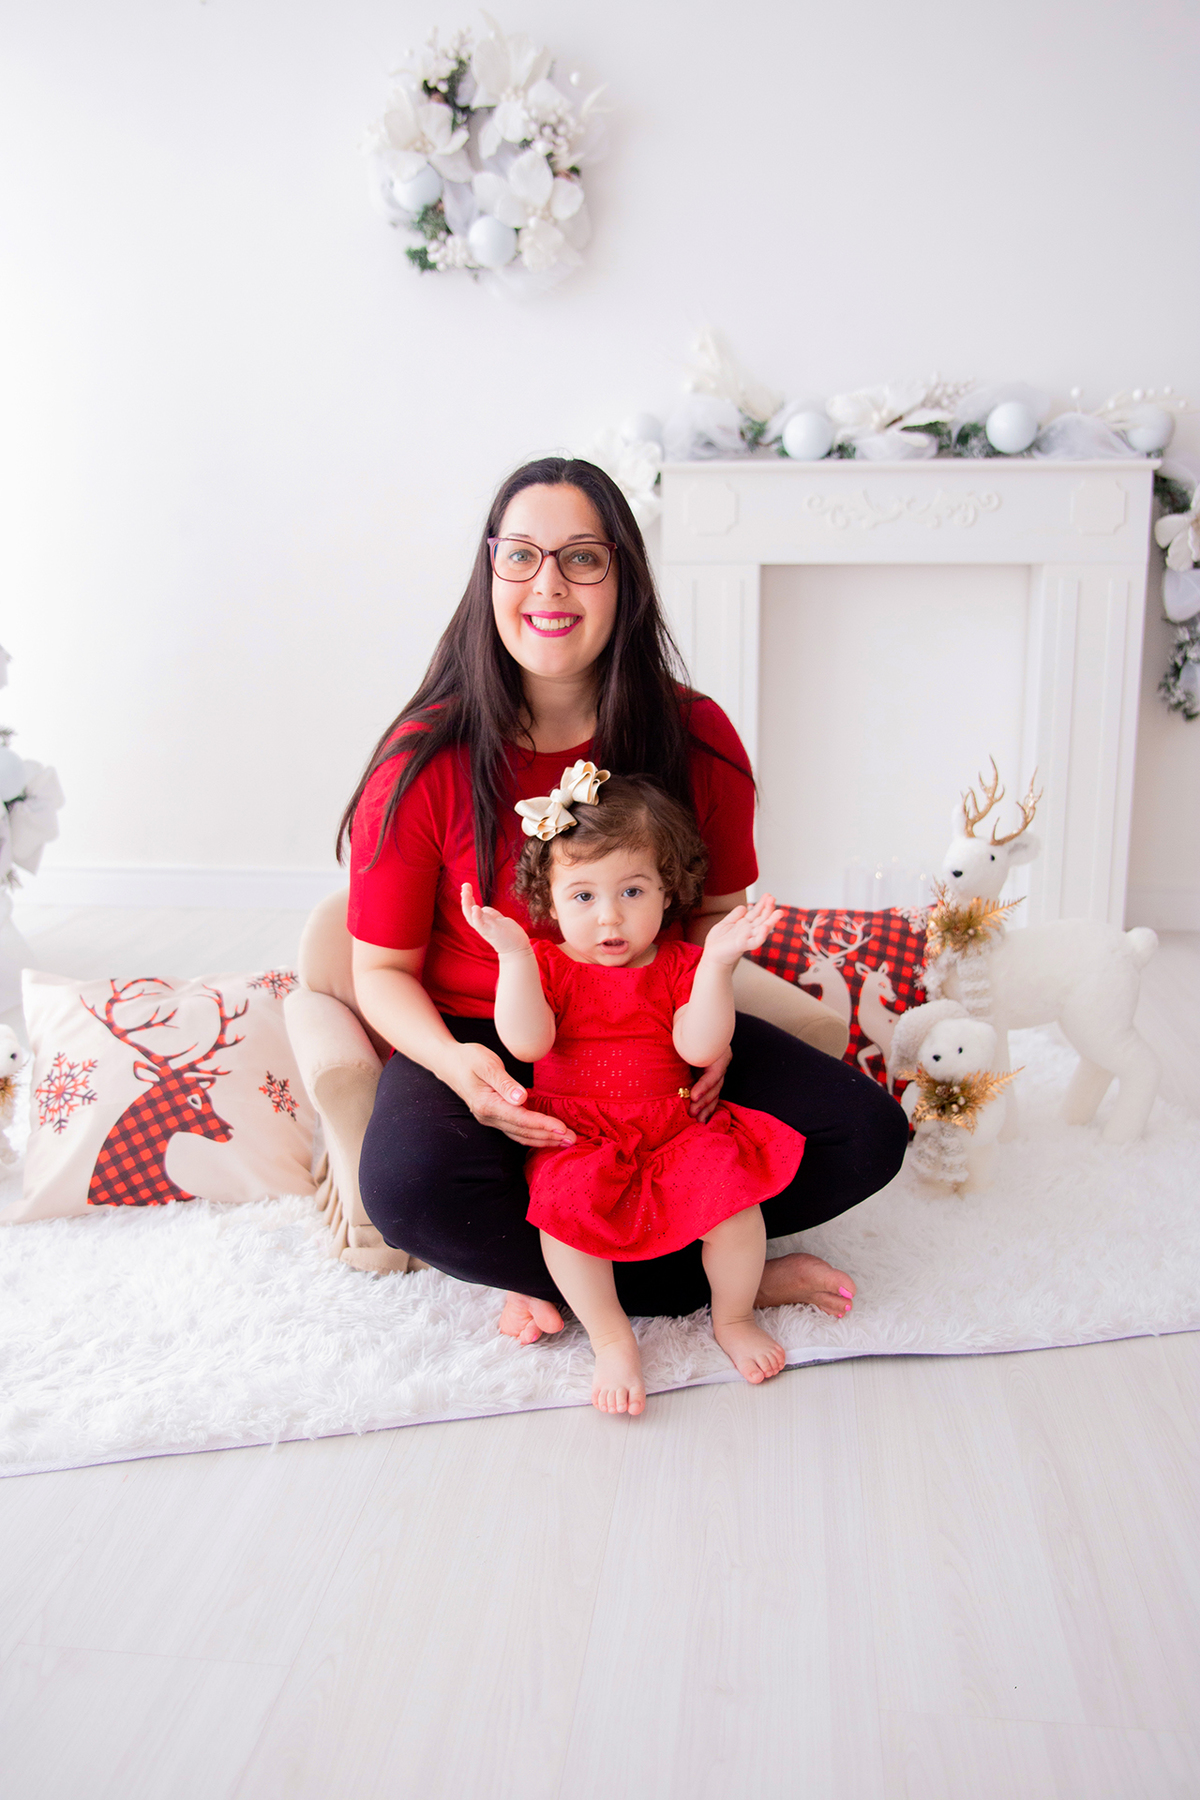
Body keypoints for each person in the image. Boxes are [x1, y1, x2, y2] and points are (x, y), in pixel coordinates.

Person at [342, 456, 908, 1344]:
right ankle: (728, 1276)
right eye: (521, 555)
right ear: (490, 570)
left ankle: (564, 1272)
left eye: (583, 557)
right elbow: (377, 971)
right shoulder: (426, 758)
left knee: (868, 1135)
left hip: (650, 1028)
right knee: (411, 1192)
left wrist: (703, 1023)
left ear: (625, 578)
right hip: (489, 1036)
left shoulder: (696, 737)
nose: (549, 584)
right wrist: (461, 1072)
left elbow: (717, 915)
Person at [461, 768, 813, 1415]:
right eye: (584, 897)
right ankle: (612, 1337)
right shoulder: (547, 964)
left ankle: (732, 1317)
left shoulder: (679, 963)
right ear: (550, 898)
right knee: (566, 1222)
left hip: (674, 1133)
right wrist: (512, 957)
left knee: (735, 1205)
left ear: (668, 889)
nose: (611, 917)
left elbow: (699, 1049)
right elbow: (528, 1044)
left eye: (631, 890)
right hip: (580, 1140)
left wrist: (717, 964)